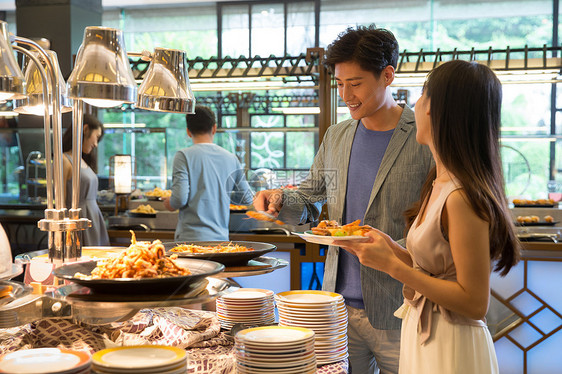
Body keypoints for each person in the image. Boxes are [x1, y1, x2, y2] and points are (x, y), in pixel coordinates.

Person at [253, 25, 433, 373]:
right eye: (339, 84)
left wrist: (392, 250)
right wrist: (278, 199)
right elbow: (310, 197)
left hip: (400, 304)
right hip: (336, 305)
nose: (345, 94)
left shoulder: (423, 135)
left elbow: (436, 221)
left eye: (356, 84)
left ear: (387, 75)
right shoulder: (336, 136)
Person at [338, 60, 521, 373]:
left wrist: (392, 266)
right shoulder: (439, 181)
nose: (415, 104)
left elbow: (475, 302)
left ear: (439, 110)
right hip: (425, 334)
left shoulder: (461, 196)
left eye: (423, 96)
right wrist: (390, 248)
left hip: (450, 344)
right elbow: (436, 268)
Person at [163, 105, 253, 241]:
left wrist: (169, 203)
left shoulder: (183, 156)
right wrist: (221, 194)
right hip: (221, 241)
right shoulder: (231, 158)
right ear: (214, 128)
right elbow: (247, 198)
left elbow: (179, 199)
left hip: (189, 241)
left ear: (188, 131)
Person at [62, 113, 109, 246]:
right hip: (78, 221)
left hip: (94, 219)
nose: (96, 144)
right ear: (85, 129)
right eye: (96, 137)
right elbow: (61, 203)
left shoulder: (82, 160)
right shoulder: (64, 160)